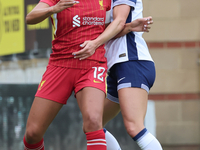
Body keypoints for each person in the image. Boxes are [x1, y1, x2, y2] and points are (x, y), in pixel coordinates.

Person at [23, 0, 152, 150]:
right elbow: (30, 18)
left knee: (93, 121)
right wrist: (53, 9)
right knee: (33, 133)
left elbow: (103, 29)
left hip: (92, 65)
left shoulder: (106, 1)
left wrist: (128, 27)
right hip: (59, 66)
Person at [72, 0, 163, 149]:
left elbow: (119, 22)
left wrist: (94, 43)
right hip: (117, 66)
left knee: (135, 127)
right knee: (93, 125)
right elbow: (110, 28)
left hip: (132, 61)